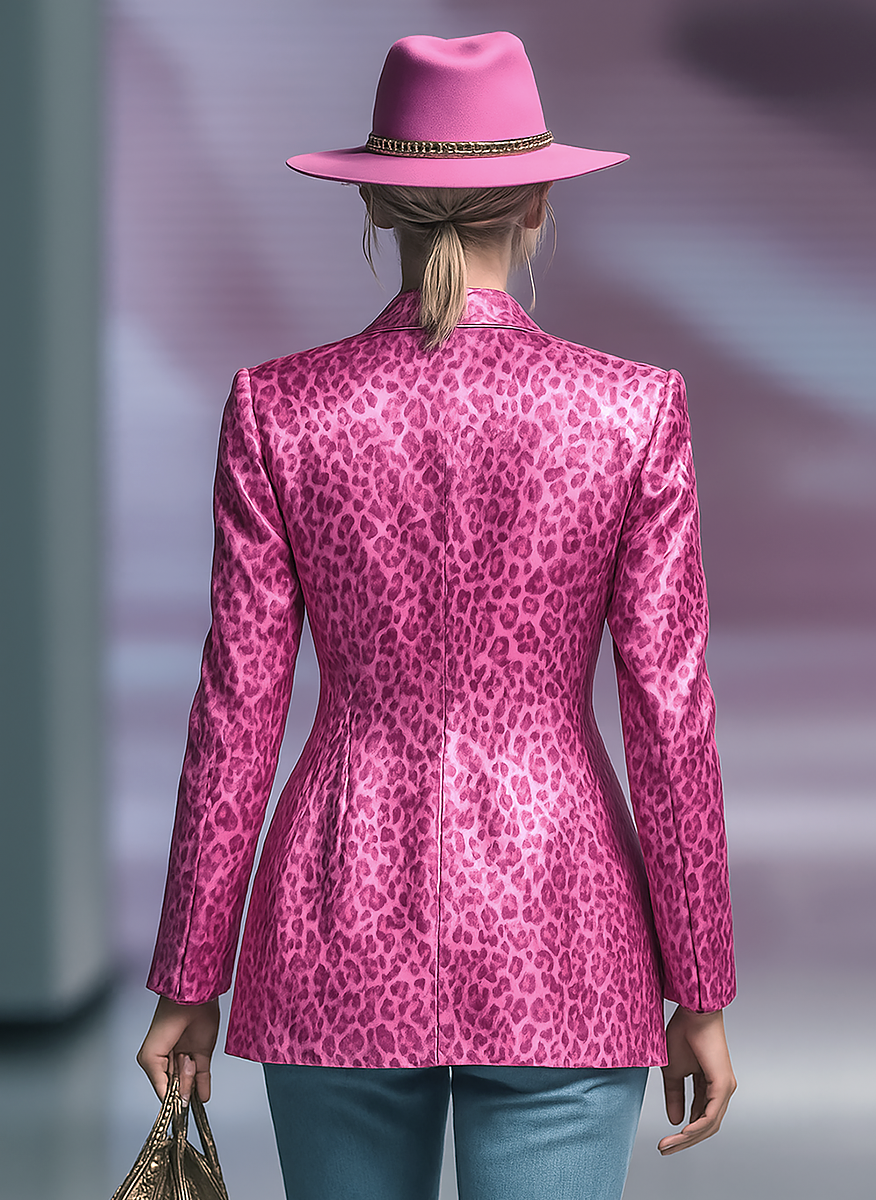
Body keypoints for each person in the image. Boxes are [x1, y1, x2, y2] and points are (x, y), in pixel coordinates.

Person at [137, 31, 737, 1200]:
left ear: (376, 208)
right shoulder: (630, 411)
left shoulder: (280, 411)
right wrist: (702, 988)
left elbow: (235, 715)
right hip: (563, 929)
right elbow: (670, 717)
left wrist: (188, 977)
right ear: (541, 203)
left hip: (336, 918)